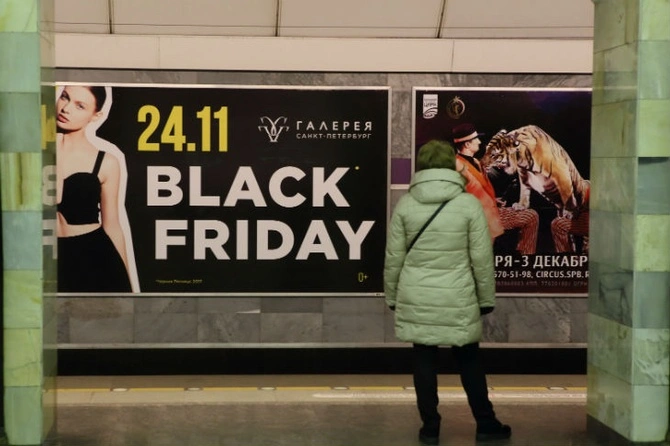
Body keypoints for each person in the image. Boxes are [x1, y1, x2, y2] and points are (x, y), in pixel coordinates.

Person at [384, 140, 511, 445]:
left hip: (417, 293)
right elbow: (481, 258)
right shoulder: (468, 205)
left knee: (423, 358)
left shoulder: (406, 205)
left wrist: (392, 296)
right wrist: (486, 298)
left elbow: (394, 257)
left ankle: (430, 427)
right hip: (458, 294)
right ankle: (486, 423)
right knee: (469, 359)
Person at [56, 85, 138, 292]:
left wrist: (130, 290)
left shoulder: (106, 162)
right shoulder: (32, 152)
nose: (66, 108)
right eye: (65, 97)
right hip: (46, 256)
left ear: (95, 116)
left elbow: (113, 226)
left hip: (93, 258)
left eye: (80, 106)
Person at [452, 122, 539, 255]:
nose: (479, 142)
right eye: (476, 139)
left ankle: (523, 258)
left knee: (530, 216)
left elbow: (478, 189)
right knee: (530, 217)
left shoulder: (476, 162)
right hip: (481, 218)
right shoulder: (457, 165)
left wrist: (493, 200)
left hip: (490, 212)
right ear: (467, 144)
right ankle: (525, 259)